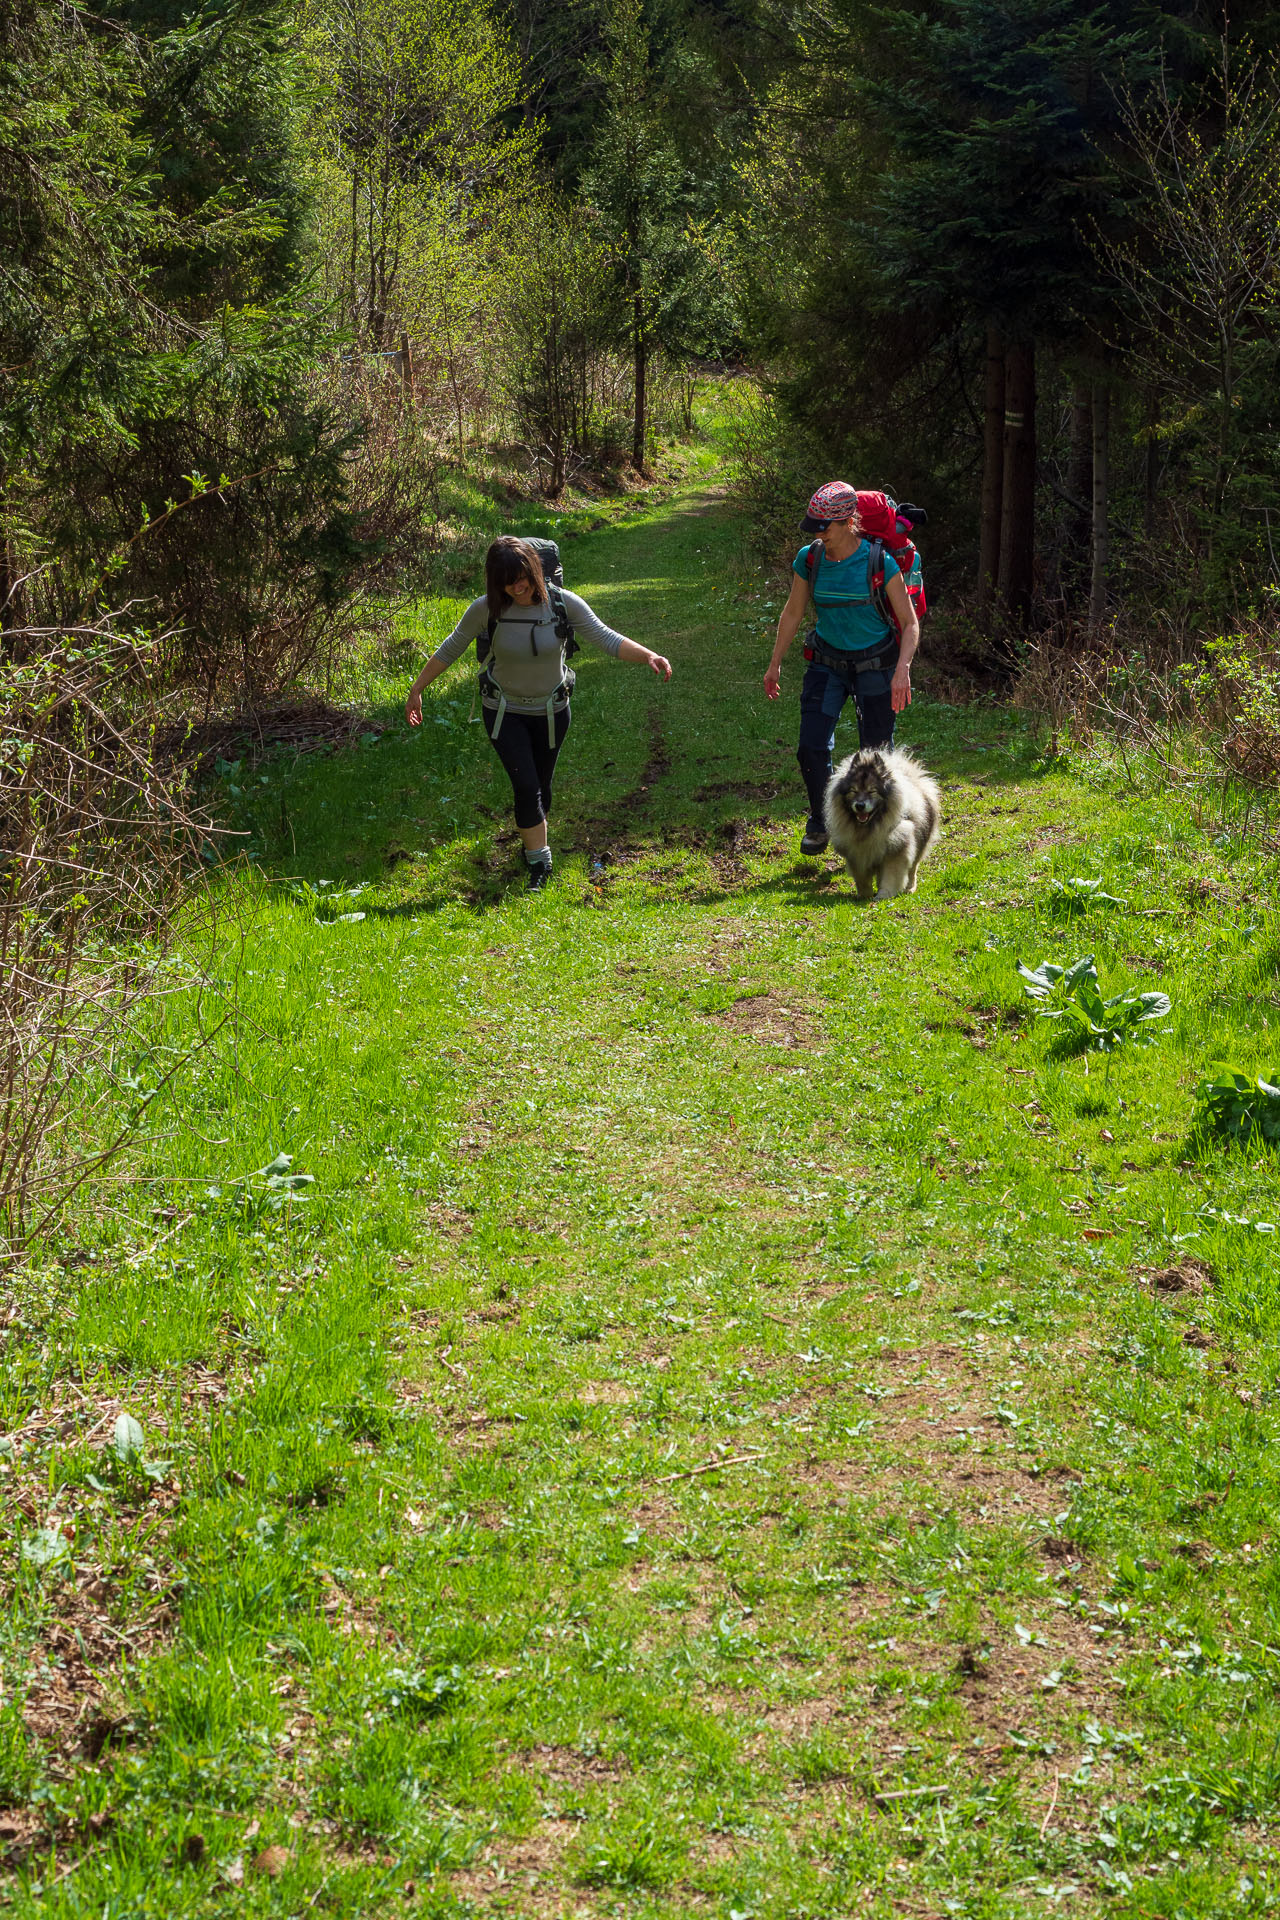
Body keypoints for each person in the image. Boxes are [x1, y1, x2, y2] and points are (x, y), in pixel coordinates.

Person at [406, 537, 672, 889]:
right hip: (504, 711)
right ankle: (540, 867)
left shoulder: (562, 604)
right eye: (506, 580)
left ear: (534, 570)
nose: (516, 586)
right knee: (526, 785)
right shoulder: (486, 609)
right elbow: (450, 648)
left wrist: (648, 655)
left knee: (541, 787)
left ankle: (531, 845)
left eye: (522, 577)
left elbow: (605, 637)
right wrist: (416, 690)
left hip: (552, 711)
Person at [764, 481, 920, 856]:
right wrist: (774, 664)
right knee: (811, 747)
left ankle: (880, 834)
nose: (818, 533)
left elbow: (909, 622)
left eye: (825, 526)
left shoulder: (878, 560)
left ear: (849, 521)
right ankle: (821, 822)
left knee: (876, 755)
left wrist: (903, 669)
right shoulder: (810, 558)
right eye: (814, 526)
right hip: (826, 664)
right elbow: (793, 612)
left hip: (876, 664)